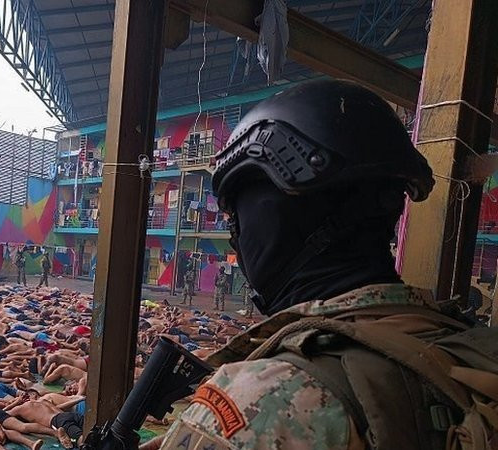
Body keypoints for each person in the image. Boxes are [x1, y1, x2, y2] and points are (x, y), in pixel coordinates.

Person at [153, 80, 498, 450]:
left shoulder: (262, 402)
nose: (237, 237)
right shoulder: (468, 346)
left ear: (272, 220)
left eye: (238, 218)